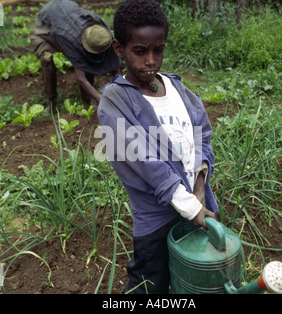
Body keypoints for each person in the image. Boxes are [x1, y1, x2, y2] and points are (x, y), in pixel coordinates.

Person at [97, 0, 218, 294]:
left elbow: (202, 134)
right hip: (157, 222)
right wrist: (189, 205)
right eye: (139, 51)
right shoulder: (115, 101)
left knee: (194, 282)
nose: (150, 60)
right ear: (118, 49)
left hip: (198, 207)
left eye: (158, 50)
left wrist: (200, 188)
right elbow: (144, 160)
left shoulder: (177, 88)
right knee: (151, 284)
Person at [30, 0, 121, 112]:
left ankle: (87, 103)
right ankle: (51, 102)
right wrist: (102, 101)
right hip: (46, 25)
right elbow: (81, 78)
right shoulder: (71, 41)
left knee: (89, 59)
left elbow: (115, 69)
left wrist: (122, 95)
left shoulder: (103, 34)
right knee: (47, 60)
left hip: (68, 8)